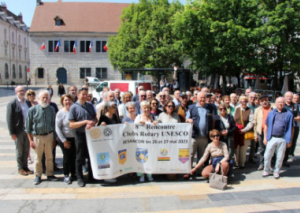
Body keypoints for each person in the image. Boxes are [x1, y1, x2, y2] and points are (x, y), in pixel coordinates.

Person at [25, 90, 58, 185]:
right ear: (38, 99)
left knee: (49, 156)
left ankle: (50, 174)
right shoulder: (32, 110)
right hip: (37, 137)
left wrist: (54, 138)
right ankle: (38, 175)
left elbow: (53, 124)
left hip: (49, 135)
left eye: (46, 98)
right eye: (43, 97)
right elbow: (27, 127)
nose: (45, 99)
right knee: (38, 157)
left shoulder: (51, 109)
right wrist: (30, 140)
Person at [69, 88, 98, 187]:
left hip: (90, 134)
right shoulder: (73, 107)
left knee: (91, 156)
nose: (85, 96)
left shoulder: (90, 105)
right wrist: (85, 122)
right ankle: (80, 178)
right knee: (79, 157)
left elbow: (95, 118)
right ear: (78, 95)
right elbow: (72, 125)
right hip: (80, 134)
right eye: (83, 94)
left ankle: (91, 176)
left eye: (86, 94)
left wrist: (93, 123)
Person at [185, 92, 217, 178]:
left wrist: (212, 133)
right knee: (191, 154)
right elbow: (186, 118)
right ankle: (188, 171)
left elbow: (213, 120)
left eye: (204, 98)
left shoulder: (210, 107)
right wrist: (189, 120)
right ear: (197, 98)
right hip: (194, 136)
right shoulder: (191, 107)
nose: (202, 99)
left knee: (202, 155)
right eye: (201, 98)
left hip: (205, 136)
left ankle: (199, 171)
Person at [263, 97, 294, 179]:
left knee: (280, 157)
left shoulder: (289, 114)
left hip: (283, 138)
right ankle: (267, 170)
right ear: (276, 103)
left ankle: (277, 171)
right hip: (271, 137)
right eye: (279, 102)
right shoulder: (271, 113)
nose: (280, 104)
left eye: (282, 102)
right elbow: (266, 125)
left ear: (284, 103)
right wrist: (265, 138)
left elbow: (291, 128)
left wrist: (290, 139)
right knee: (267, 155)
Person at [7, 86, 33, 176]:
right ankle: (20, 168)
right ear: (16, 92)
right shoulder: (12, 104)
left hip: (27, 130)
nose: (22, 92)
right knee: (20, 151)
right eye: (20, 91)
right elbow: (9, 119)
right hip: (18, 131)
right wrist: (12, 133)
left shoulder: (27, 102)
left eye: (23, 90)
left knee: (26, 149)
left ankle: (25, 166)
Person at [134, 101, 157, 182]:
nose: (146, 109)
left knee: (150, 158)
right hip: (141, 142)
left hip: (151, 142)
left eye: (148, 107)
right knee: (141, 158)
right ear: (141, 109)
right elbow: (133, 127)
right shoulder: (138, 117)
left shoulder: (153, 117)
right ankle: (141, 175)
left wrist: (155, 123)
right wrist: (139, 123)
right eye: (144, 108)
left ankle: (149, 174)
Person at [55, 94, 76, 184]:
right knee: (67, 157)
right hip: (65, 138)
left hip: (75, 138)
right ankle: (66, 175)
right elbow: (57, 128)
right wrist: (64, 140)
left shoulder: (74, 110)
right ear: (62, 102)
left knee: (74, 157)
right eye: (65, 100)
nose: (67, 102)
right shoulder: (60, 113)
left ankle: (74, 174)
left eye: (69, 100)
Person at [253, 95, 275, 171]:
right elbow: (255, 123)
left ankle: (270, 164)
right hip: (261, 132)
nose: (264, 102)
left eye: (265, 100)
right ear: (259, 102)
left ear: (268, 100)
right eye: (262, 101)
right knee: (262, 149)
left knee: (271, 149)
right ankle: (261, 164)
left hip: (272, 132)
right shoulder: (257, 110)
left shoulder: (273, 109)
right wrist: (255, 134)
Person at [233, 95, 254, 169]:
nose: (244, 103)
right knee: (237, 148)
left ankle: (242, 163)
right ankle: (237, 163)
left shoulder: (250, 110)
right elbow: (233, 119)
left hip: (245, 132)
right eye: (242, 102)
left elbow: (251, 122)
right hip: (237, 132)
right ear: (239, 102)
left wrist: (244, 130)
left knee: (243, 149)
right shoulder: (236, 109)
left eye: (245, 101)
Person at [283, 91, 300, 167]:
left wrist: (289, 118)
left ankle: (285, 159)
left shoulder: (296, 106)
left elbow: (299, 117)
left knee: (289, 143)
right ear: (285, 97)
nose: (289, 98)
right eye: (287, 96)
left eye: (290, 96)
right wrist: (293, 118)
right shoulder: (282, 105)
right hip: (283, 128)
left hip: (293, 127)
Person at [25, 89, 38, 164]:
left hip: (36, 125)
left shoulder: (37, 103)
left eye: (32, 94)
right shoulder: (26, 103)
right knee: (28, 142)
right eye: (29, 94)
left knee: (35, 141)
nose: (31, 95)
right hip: (29, 124)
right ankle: (29, 156)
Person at [248, 92, 259, 164]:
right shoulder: (246, 106)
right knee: (245, 144)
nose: (253, 99)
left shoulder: (257, 107)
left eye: (254, 97)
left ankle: (251, 157)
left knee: (253, 144)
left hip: (254, 128)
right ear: (248, 97)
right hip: (247, 128)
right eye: (251, 97)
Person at [291, 94, 300, 158]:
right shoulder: (289, 105)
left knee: (294, 139)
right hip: (289, 126)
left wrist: (290, 118)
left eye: (297, 98)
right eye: (295, 98)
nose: (296, 99)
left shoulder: (298, 106)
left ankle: (291, 153)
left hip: (296, 126)